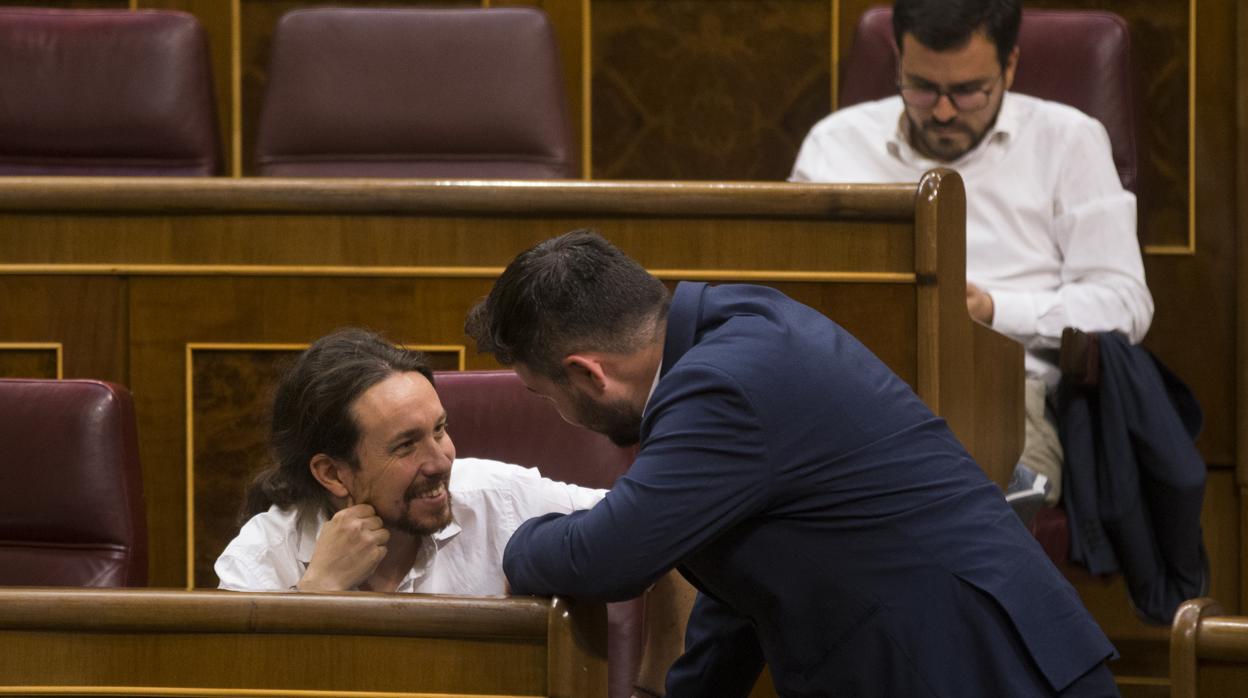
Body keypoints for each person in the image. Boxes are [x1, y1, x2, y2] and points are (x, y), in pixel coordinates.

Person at [465, 229, 1119, 697]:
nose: (554, 412)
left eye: (542, 395)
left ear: (588, 374)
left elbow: (608, 555)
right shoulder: (742, 322)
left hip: (974, 670)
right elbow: (742, 589)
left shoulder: (721, 388)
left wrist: (512, 543)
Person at [790, 0, 1153, 518]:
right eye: (921, 87)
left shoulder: (1068, 140)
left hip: (1001, 393)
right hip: (848, 389)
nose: (941, 112)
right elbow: (784, 289)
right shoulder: (835, 144)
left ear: (1009, 66)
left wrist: (993, 309)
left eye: (967, 92)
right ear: (898, 62)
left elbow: (1125, 302)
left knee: (937, 508)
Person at [214, 327, 605, 594]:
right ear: (332, 473)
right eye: (405, 446)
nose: (440, 461)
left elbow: (653, 522)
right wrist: (319, 591)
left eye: (439, 429)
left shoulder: (499, 499)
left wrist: (651, 684)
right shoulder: (264, 554)